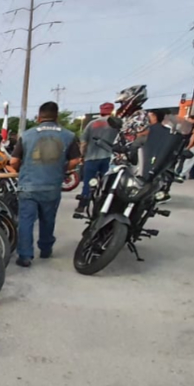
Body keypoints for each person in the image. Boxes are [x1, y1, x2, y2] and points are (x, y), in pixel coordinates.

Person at [8, 101, 81, 268]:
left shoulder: (27, 135)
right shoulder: (68, 135)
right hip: (52, 185)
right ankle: (46, 249)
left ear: (39, 117)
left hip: (28, 185)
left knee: (26, 220)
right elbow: (76, 160)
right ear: (56, 116)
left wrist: (21, 169)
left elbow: (13, 161)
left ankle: (25, 256)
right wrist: (62, 170)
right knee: (48, 219)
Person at [77, 102, 120, 214]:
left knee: (88, 182)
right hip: (108, 157)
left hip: (91, 157)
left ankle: (82, 205)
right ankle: (105, 205)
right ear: (112, 110)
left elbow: (84, 142)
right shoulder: (117, 124)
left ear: (100, 110)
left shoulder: (91, 123)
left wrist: (82, 155)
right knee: (107, 183)